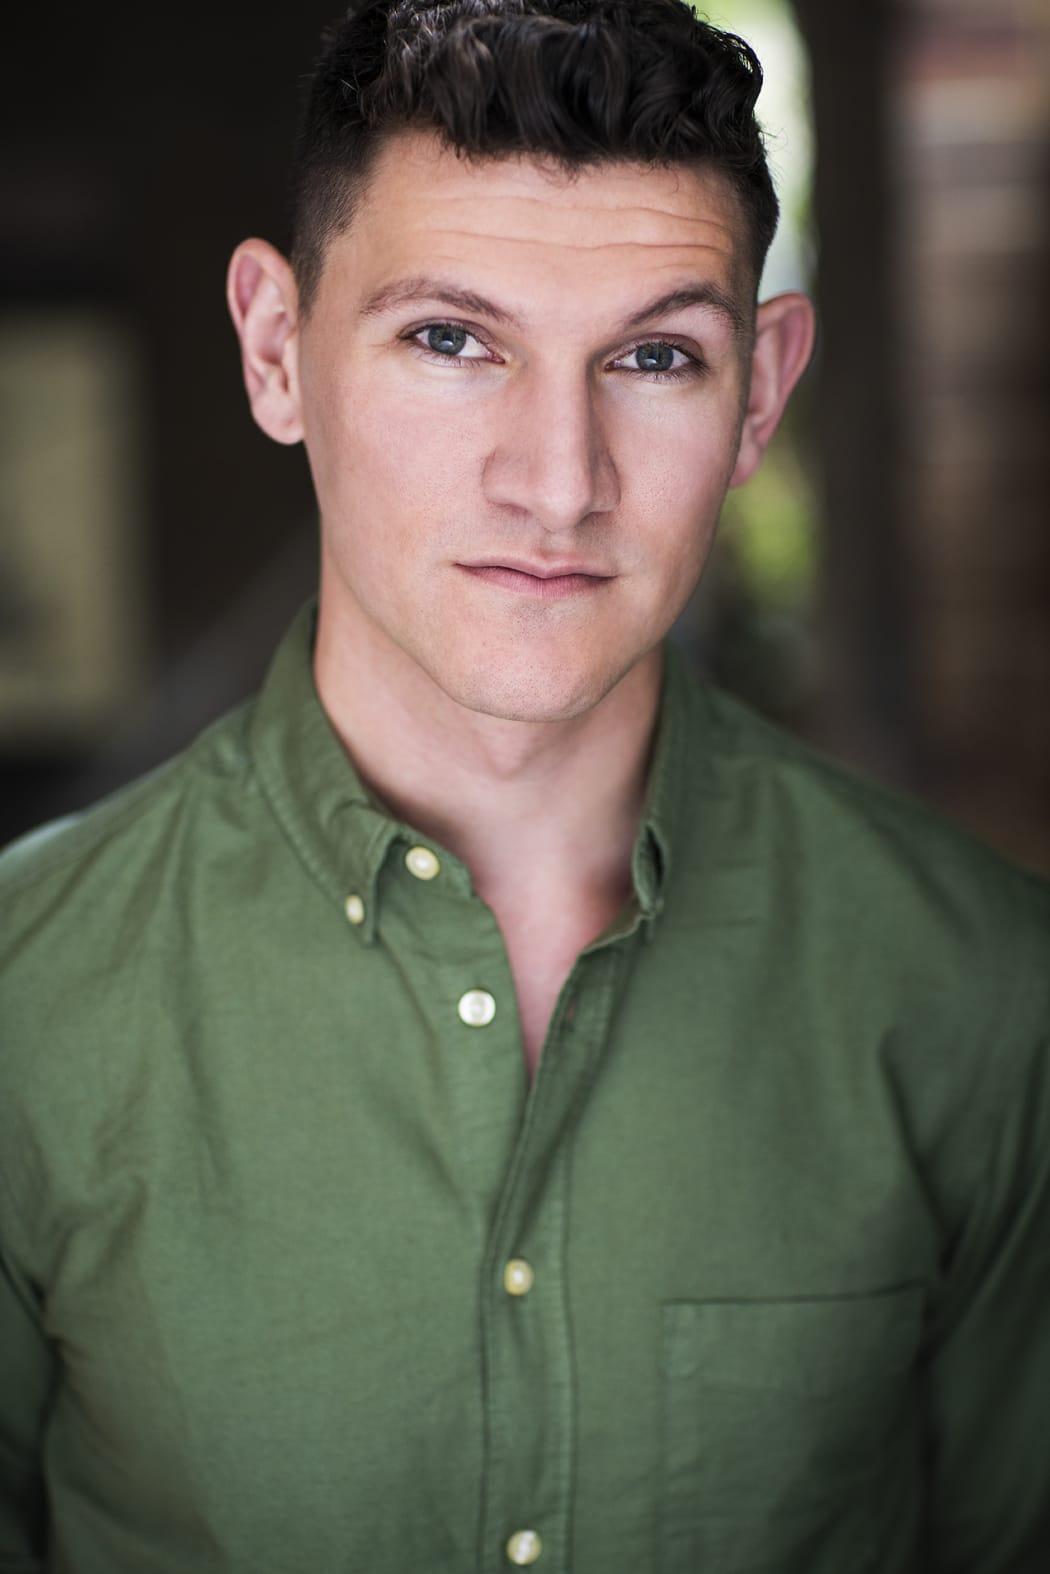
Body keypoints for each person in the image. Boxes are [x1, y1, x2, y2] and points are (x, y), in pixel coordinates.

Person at [1, 0, 1047, 1569]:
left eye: (650, 356)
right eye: (450, 339)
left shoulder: (977, 981)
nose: (556, 479)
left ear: (759, 391)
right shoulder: (26, 997)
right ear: (276, 350)